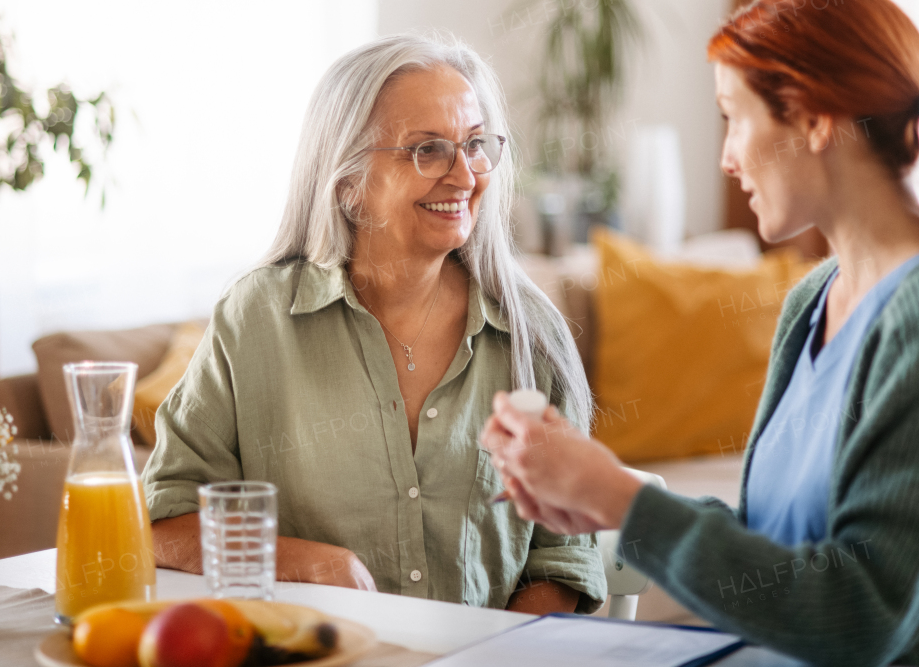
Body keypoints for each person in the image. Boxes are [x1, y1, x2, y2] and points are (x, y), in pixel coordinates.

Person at [481, 0, 919, 664]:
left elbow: (860, 616)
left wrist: (622, 500)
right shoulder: (813, 300)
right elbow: (780, 550)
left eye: (734, 116)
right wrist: (611, 495)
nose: (726, 158)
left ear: (817, 120)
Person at [143, 33, 605, 615]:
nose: (465, 176)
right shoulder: (255, 320)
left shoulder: (531, 333)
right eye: (428, 150)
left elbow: (562, 558)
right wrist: (309, 561)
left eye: (476, 145)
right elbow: (167, 517)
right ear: (349, 183)